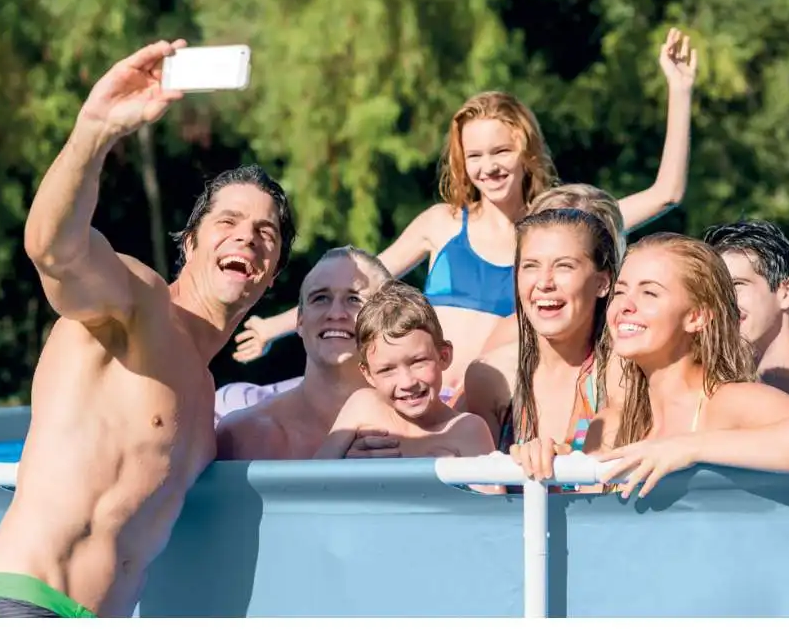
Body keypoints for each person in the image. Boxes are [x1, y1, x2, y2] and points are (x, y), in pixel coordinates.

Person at [0, 39, 296, 619]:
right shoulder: (138, 303)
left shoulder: (203, 399)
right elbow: (53, 250)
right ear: (189, 243)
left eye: (266, 233)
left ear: (272, 273)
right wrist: (94, 132)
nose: (247, 236)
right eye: (228, 221)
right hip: (25, 606)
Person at [233, 28, 698, 396]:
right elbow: (359, 284)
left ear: (526, 152)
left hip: (501, 405)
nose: (488, 167)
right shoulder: (441, 224)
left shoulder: (561, 228)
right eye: (475, 156)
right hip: (423, 399)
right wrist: (274, 327)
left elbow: (666, 193)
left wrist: (679, 91)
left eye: (500, 151)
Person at [516, 233, 789, 498]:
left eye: (649, 293)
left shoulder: (726, 402)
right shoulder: (613, 425)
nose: (625, 305)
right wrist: (551, 467)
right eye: (620, 291)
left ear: (696, 317)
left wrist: (689, 448)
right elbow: (598, 528)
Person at [458, 193, 626, 448]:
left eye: (564, 266)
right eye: (531, 266)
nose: (544, 282)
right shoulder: (492, 377)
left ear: (602, 283)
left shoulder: (622, 372)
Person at [215, 246, 394, 460]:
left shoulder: (419, 430)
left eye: (354, 299)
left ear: (389, 320)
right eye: (321, 298)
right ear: (300, 321)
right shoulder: (242, 436)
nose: (335, 313)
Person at [315, 281, 496, 461]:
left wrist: (445, 475)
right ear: (368, 374)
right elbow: (315, 473)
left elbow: (489, 481)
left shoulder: (467, 430)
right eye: (387, 369)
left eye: (418, 362)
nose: (407, 382)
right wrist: (347, 467)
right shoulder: (363, 407)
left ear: (444, 356)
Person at [702, 219, 789, 411]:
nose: (722, 302)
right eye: (715, 290)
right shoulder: (725, 388)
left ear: (786, 293)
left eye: (736, 285)